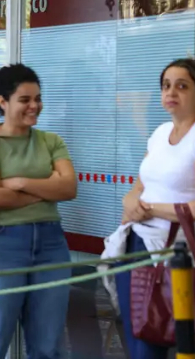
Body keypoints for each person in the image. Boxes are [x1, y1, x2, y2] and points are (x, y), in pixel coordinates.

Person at [0, 64, 76, 359]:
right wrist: (43, 190)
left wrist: (20, 183)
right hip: (1, 246)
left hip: (52, 244)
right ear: (3, 102)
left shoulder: (50, 141)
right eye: (25, 99)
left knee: (48, 346)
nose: (34, 106)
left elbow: (68, 189)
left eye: (37, 99)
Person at [111, 58, 195, 359]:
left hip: (178, 251)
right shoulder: (160, 132)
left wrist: (152, 209)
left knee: (172, 340)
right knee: (139, 335)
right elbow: (140, 183)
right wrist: (129, 201)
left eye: (182, 86)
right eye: (166, 86)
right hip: (136, 244)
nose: (171, 92)